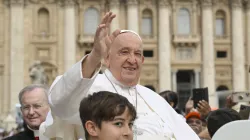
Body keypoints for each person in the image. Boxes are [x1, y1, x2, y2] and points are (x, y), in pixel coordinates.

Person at [41, 11, 199, 140]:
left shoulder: (154, 98)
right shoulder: (92, 88)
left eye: (137, 54)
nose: (132, 60)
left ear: (142, 60)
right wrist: (95, 55)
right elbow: (60, 104)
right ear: (107, 58)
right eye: (124, 52)